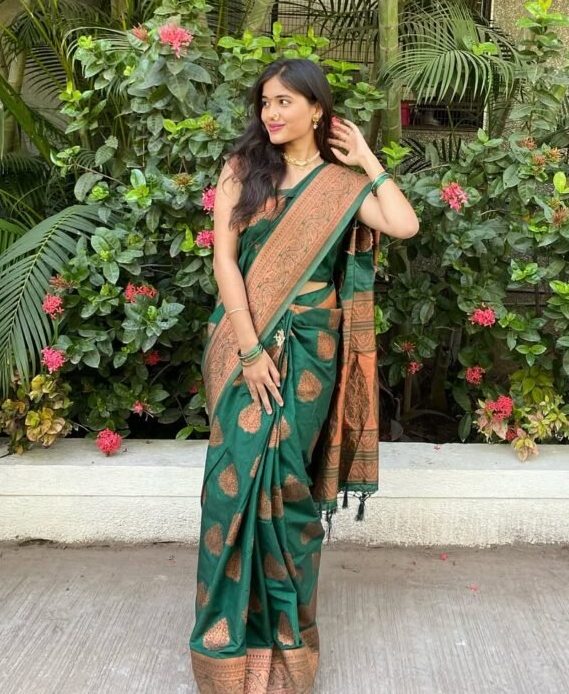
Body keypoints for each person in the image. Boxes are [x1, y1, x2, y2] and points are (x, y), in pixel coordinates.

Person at [189, 57, 419, 693]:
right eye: (265, 102)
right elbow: (225, 263)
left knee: (288, 491)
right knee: (230, 491)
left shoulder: (342, 187)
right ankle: (226, 649)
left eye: (285, 101)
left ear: (318, 110)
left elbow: (404, 224)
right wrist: (249, 348)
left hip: (311, 352)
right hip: (243, 346)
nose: (271, 113)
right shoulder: (242, 172)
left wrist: (367, 159)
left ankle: (287, 649)